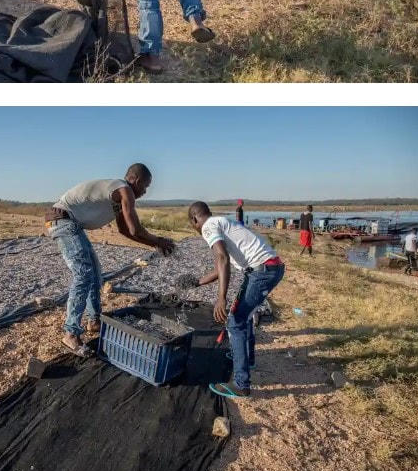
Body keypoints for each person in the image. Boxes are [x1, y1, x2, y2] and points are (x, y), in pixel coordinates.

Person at [45, 164, 176, 356]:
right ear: (136, 180)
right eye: (145, 186)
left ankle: (94, 321)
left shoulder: (116, 195)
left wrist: (154, 245)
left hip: (72, 225)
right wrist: (159, 241)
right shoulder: (124, 189)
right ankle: (70, 333)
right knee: (84, 274)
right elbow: (135, 229)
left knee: (95, 274)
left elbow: (124, 231)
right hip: (63, 221)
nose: (145, 192)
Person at [187, 201, 284, 400]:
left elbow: (222, 260)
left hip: (262, 271)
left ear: (194, 219)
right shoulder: (222, 222)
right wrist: (197, 282)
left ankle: (241, 384)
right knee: (243, 315)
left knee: (235, 321)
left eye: (193, 224)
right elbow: (221, 266)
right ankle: (247, 360)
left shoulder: (208, 227)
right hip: (266, 268)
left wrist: (220, 298)